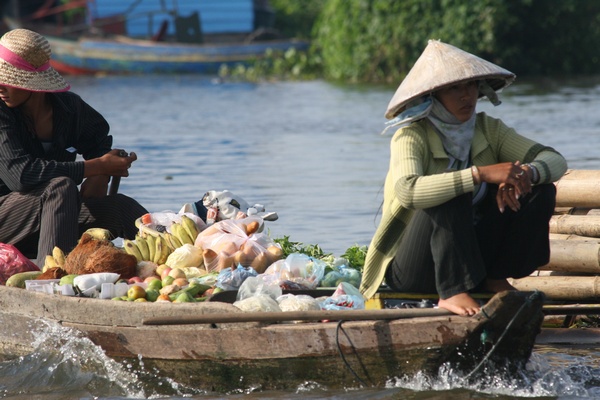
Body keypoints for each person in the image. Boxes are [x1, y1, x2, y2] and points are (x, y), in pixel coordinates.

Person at [359, 40, 568, 316]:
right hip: (414, 268)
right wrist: (480, 174)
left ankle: (495, 278)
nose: (466, 96)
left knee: (540, 191)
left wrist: (523, 174)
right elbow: (408, 191)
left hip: (472, 260)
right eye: (454, 88)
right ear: (434, 94)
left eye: (470, 86)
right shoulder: (411, 135)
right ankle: (452, 292)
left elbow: (555, 159)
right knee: (451, 189)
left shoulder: (487, 129)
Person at [0, 28, 148, 267]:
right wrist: (95, 167)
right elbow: (21, 176)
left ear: (32, 83)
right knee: (60, 187)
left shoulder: (68, 108)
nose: (1, 86)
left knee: (121, 207)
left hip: (53, 217)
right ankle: (54, 276)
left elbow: (99, 139)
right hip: (6, 217)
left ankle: (176, 263)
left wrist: (102, 173)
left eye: (8, 80)